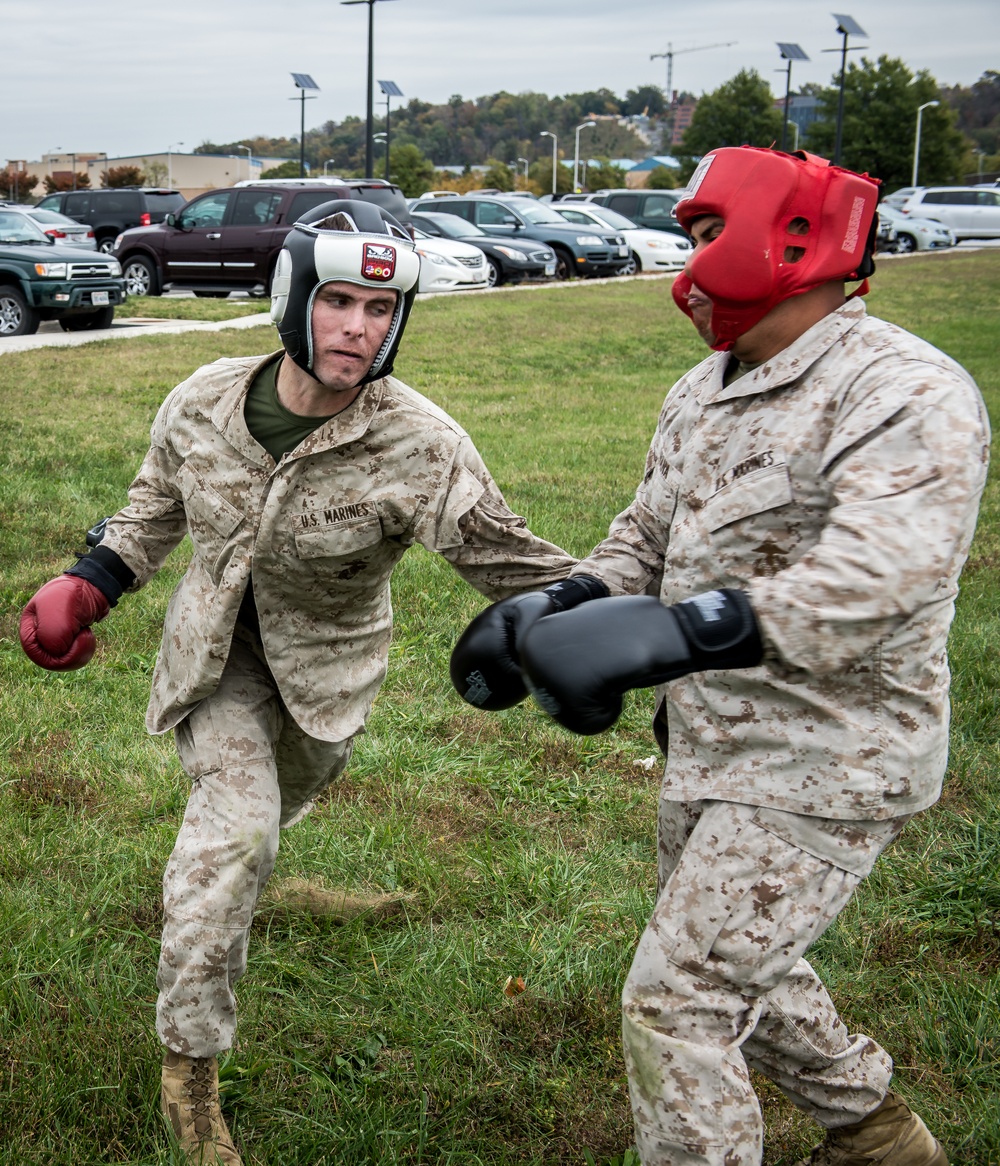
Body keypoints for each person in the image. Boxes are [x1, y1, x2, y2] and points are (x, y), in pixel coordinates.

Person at [449, 147, 989, 1166]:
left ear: (790, 238)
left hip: (832, 758)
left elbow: (880, 579)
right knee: (750, 963)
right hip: (710, 742)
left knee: (678, 999)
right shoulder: (704, 388)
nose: (684, 271)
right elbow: (646, 536)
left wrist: (682, 631)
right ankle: (879, 1135)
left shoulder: (903, 389)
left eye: (703, 237)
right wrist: (559, 602)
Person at [19, 201, 583, 1166]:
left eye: (379, 308)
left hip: (328, 675)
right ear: (291, 300)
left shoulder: (423, 443)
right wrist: (89, 578)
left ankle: (262, 872)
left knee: (274, 813)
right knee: (232, 836)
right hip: (214, 660)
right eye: (338, 303)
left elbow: (509, 560)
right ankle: (189, 1078)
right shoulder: (203, 399)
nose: (359, 329)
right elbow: (154, 507)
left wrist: (616, 619)